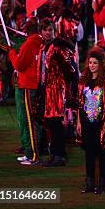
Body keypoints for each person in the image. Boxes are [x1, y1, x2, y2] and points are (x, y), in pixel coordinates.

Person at [76, 48, 105, 194]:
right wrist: (79, 122)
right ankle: (90, 183)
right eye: (90, 62)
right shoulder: (83, 82)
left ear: (100, 65)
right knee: (89, 154)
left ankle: (102, 184)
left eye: (95, 63)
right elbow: (80, 104)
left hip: (100, 122)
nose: (91, 65)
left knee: (102, 153)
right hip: (86, 123)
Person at [42, 20, 78, 167]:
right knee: (51, 122)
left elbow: (71, 68)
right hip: (50, 89)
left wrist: (66, 86)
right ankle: (54, 153)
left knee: (56, 122)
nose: (47, 32)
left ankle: (60, 155)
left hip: (57, 89)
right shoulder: (46, 46)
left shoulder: (58, 47)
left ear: (55, 31)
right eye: (45, 30)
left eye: (50, 29)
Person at [8, 18, 44, 166]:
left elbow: (19, 65)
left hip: (28, 85)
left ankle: (33, 156)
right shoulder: (38, 41)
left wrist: (11, 53)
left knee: (30, 122)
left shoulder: (29, 43)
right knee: (33, 121)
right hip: (33, 85)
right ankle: (30, 152)